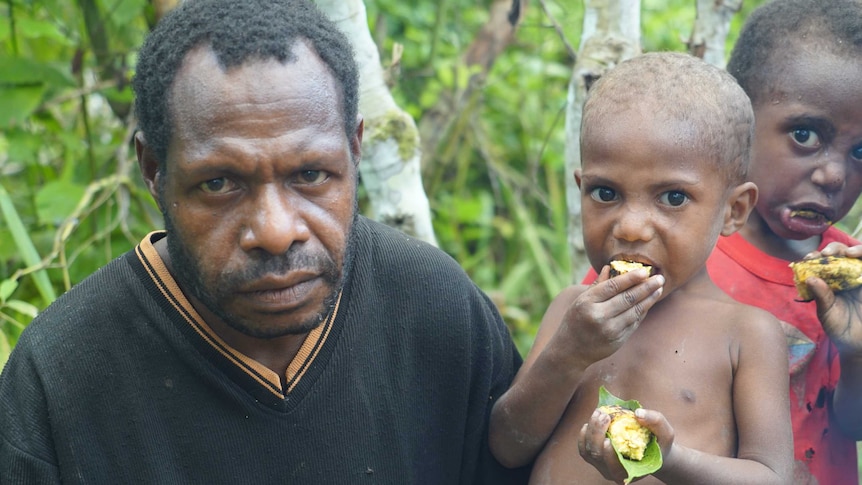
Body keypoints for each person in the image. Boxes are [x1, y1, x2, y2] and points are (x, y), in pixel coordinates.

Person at [0, 1, 529, 483]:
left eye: (312, 175)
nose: (276, 232)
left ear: (354, 149)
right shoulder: (62, 376)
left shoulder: (436, 310)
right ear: (154, 170)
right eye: (219, 184)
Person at [487, 52, 793, 484]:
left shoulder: (746, 333)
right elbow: (506, 445)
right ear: (581, 188)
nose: (630, 228)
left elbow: (771, 478)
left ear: (733, 210)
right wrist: (568, 354)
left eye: (672, 198)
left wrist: (666, 459)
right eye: (605, 193)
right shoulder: (572, 312)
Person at [703, 1, 862, 483]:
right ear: (740, 120)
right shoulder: (682, 255)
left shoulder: (848, 278)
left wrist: (856, 351)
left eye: (861, 151)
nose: (834, 174)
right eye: (805, 134)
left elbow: (851, 424)